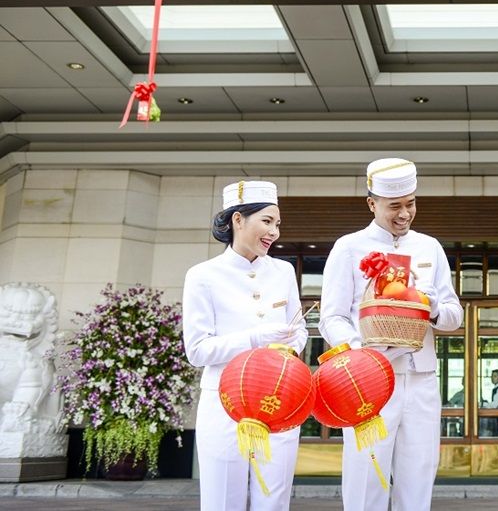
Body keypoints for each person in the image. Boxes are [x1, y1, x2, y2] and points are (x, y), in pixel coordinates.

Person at [319, 158, 463, 511]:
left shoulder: (430, 246)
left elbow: (453, 316)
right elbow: (331, 318)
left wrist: (431, 307)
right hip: (369, 383)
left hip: (421, 378)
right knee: (366, 476)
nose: (404, 214)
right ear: (372, 203)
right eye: (394, 206)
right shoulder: (348, 247)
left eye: (410, 204)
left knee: (419, 477)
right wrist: (361, 351)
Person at [182, 180, 308, 511]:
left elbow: (298, 329)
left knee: (275, 499)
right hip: (224, 404)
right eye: (267, 221)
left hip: (278, 401)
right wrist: (255, 338)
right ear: (238, 220)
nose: (274, 232)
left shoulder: (283, 271)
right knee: (223, 500)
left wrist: (290, 345)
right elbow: (197, 350)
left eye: (277, 223)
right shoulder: (203, 275)